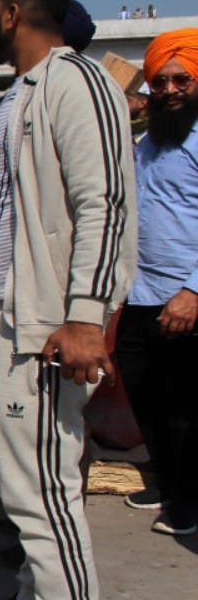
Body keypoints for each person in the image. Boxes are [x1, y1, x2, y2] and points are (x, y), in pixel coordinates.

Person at [0, 0, 136, 600]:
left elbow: (107, 202)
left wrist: (86, 317)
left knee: (44, 498)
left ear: (11, 11)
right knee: (29, 492)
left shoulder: (75, 82)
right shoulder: (26, 91)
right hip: (14, 317)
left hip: (51, 326)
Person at [114, 28, 198, 534]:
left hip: (185, 297)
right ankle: (168, 484)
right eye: (160, 81)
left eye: (180, 80)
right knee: (147, 396)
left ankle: (187, 503)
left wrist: (193, 290)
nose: (169, 90)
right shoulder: (147, 146)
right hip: (141, 293)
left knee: (186, 408)